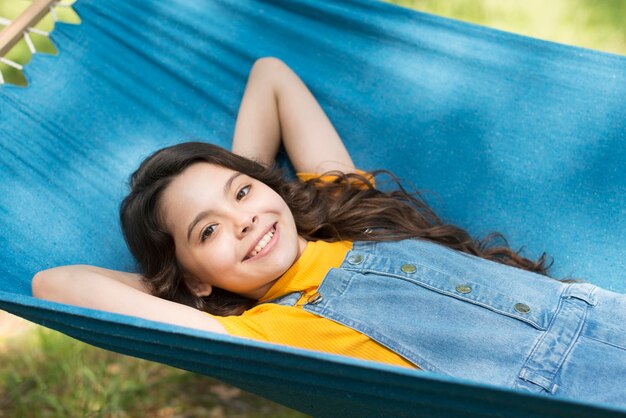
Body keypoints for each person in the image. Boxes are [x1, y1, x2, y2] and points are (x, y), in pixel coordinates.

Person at [32, 57, 626, 407]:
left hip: (605, 312)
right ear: (194, 275)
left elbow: (272, 79)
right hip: (570, 394)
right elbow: (55, 283)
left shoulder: (346, 211)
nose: (243, 219)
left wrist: (242, 199)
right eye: (208, 231)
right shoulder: (270, 331)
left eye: (242, 192)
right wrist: (183, 283)